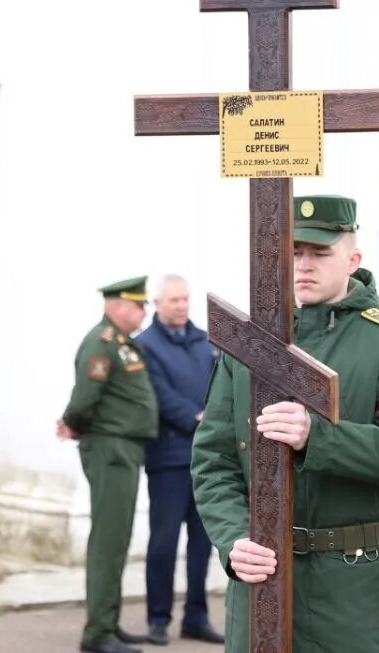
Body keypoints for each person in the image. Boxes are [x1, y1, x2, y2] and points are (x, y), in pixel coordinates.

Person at [192, 195, 379, 652]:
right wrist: (232, 539)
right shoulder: (247, 342)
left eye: (320, 252)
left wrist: (317, 437)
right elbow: (213, 458)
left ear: (353, 259)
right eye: (296, 251)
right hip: (265, 582)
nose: (304, 264)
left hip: (357, 590)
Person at [59, 276, 159, 653]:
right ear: (117, 306)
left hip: (123, 450)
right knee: (107, 542)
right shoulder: (101, 343)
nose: (143, 311)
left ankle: (109, 623)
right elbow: (85, 398)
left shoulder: (120, 343)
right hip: (110, 450)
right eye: (138, 305)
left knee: (116, 542)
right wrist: (72, 424)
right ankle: (97, 633)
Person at [135, 275, 224, 645]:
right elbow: (158, 393)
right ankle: (158, 617)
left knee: (202, 544)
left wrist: (215, 415)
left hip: (205, 461)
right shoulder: (144, 346)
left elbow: (219, 386)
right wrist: (197, 416)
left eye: (186, 299)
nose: (182, 305)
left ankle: (196, 616)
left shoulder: (205, 342)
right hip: (169, 459)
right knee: (164, 542)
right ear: (157, 303)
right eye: (174, 300)